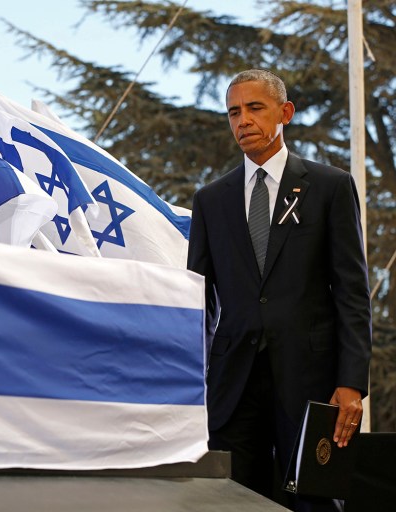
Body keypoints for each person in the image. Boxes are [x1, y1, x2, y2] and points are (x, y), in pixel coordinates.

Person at [187, 69, 372, 511]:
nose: (243, 121)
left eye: (254, 108)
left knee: (315, 501)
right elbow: (196, 299)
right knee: (231, 502)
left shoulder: (330, 187)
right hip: (232, 387)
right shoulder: (210, 200)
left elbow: (352, 292)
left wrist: (351, 382)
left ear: (284, 112)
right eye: (234, 112)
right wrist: (194, 381)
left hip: (312, 385)